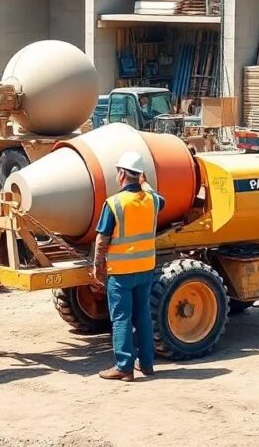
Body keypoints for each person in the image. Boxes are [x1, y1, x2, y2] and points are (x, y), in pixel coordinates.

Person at [92, 151, 165, 382]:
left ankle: (124, 367)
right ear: (140, 175)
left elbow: (102, 239)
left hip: (121, 274)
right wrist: (145, 182)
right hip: (145, 269)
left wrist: (97, 268)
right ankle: (147, 363)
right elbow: (156, 196)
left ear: (122, 173)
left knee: (121, 318)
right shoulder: (152, 200)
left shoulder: (114, 203)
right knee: (142, 315)